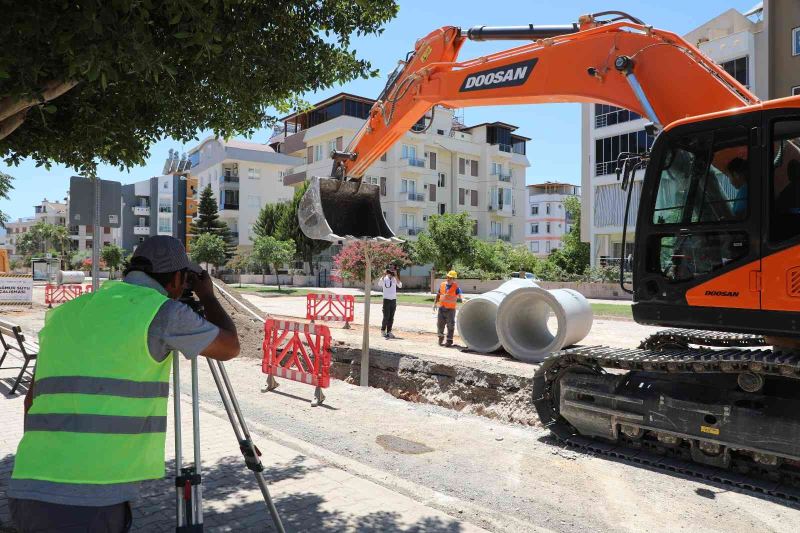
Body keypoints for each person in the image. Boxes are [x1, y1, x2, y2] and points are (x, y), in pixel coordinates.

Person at [8, 236, 240, 533]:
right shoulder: (162, 313)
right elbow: (230, 347)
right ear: (177, 278)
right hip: (90, 499)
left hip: (28, 485)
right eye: (184, 282)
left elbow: (32, 400)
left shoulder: (65, 314)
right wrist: (207, 295)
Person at [433, 270, 462, 347]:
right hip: (442, 308)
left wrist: (463, 299)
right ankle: (440, 337)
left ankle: (449, 340)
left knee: (450, 325)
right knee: (440, 324)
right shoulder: (442, 284)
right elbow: (438, 294)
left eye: (450, 277)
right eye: (448, 277)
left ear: (454, 279)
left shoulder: (456, 287)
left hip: (450, 310)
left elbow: (460, 295)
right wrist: (435, 303)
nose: (448, 278)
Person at [379, 267, 401, 339]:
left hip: (393, 300)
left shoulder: (394, 279)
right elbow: (379, 284)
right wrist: (383, 275)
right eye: (390, 271)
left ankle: (389, 331)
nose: (391, 273)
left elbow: (400, 285)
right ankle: (383, 330)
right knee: (386, 316)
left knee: (391, 317)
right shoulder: (384, 278)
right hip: (386, 300)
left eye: (392, 271)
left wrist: (396, 276)